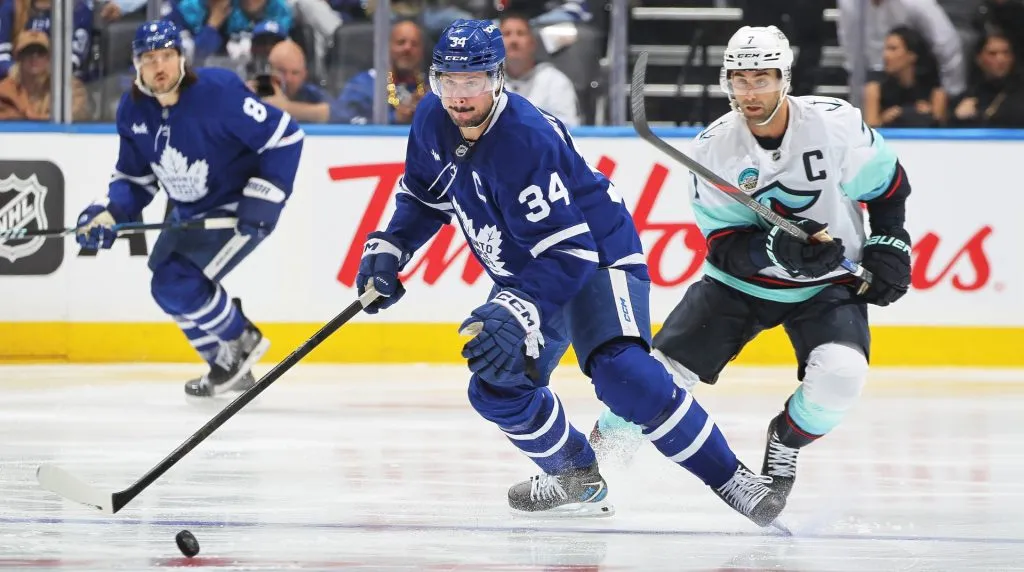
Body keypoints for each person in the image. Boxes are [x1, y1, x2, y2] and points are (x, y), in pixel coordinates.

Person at [353, 18, 787, 527]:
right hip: (534, 270)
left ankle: (732, 478)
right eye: (448, 80)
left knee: (623, 374)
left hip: (595, 254)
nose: (459, 95)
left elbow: (572, 253)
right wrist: (388, 248)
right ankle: (577, 475)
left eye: (473, 81)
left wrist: (515, 306)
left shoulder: (526, 140)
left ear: (498, 79)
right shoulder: (431, 118)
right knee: (495, 383)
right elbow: (424, 196)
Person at [591, 25, 914, 505]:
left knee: (842, 375)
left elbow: (888, 188)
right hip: (738, 286)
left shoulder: (835, 124)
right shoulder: (713, 148)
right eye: (740, 79)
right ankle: (586, 466)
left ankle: (785, 442)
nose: (750, 92)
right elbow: (722, 244)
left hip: (826, 284)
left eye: (761, 78)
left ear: (784, 77)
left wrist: (889, 245)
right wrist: (774, 252)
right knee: (653, 379)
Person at [73, 20, 304, 399]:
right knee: (164, 286)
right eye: (149, 59)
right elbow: (135, 179)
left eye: (167, 55)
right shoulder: (133, 110)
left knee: (177, 282)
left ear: (182, 58)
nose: (159, 66)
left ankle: (240, 338)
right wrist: (109, 212)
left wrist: (266, 196)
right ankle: (227, 364)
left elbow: (286, 136)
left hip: (234, 209)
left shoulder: (217, 92)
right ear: (136, 65)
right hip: (188, 211)